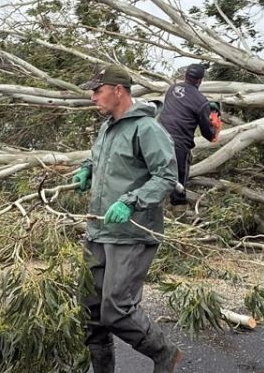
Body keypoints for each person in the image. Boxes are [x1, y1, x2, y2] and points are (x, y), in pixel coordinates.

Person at [73, 64, 183, 373]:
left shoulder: (147, 129)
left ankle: (164, 352)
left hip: (131, 232)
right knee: (92, 311)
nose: (93, 96)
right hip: (98, 230)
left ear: (118, 90)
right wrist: (86, 168)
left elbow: (166, 177)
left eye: (97, 90)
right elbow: (99, 157)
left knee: (116, 309)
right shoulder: (108, 126)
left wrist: (131, 201)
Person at [156, 64, 219, 205]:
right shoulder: (201, 101)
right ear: (200, 80)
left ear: (185, 75)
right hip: (179, 145)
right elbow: (209, 135)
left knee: (157, 173)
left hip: (157, 137)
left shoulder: (172, 89)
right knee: (179, 185)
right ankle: (178, 211)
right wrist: (212, 115)